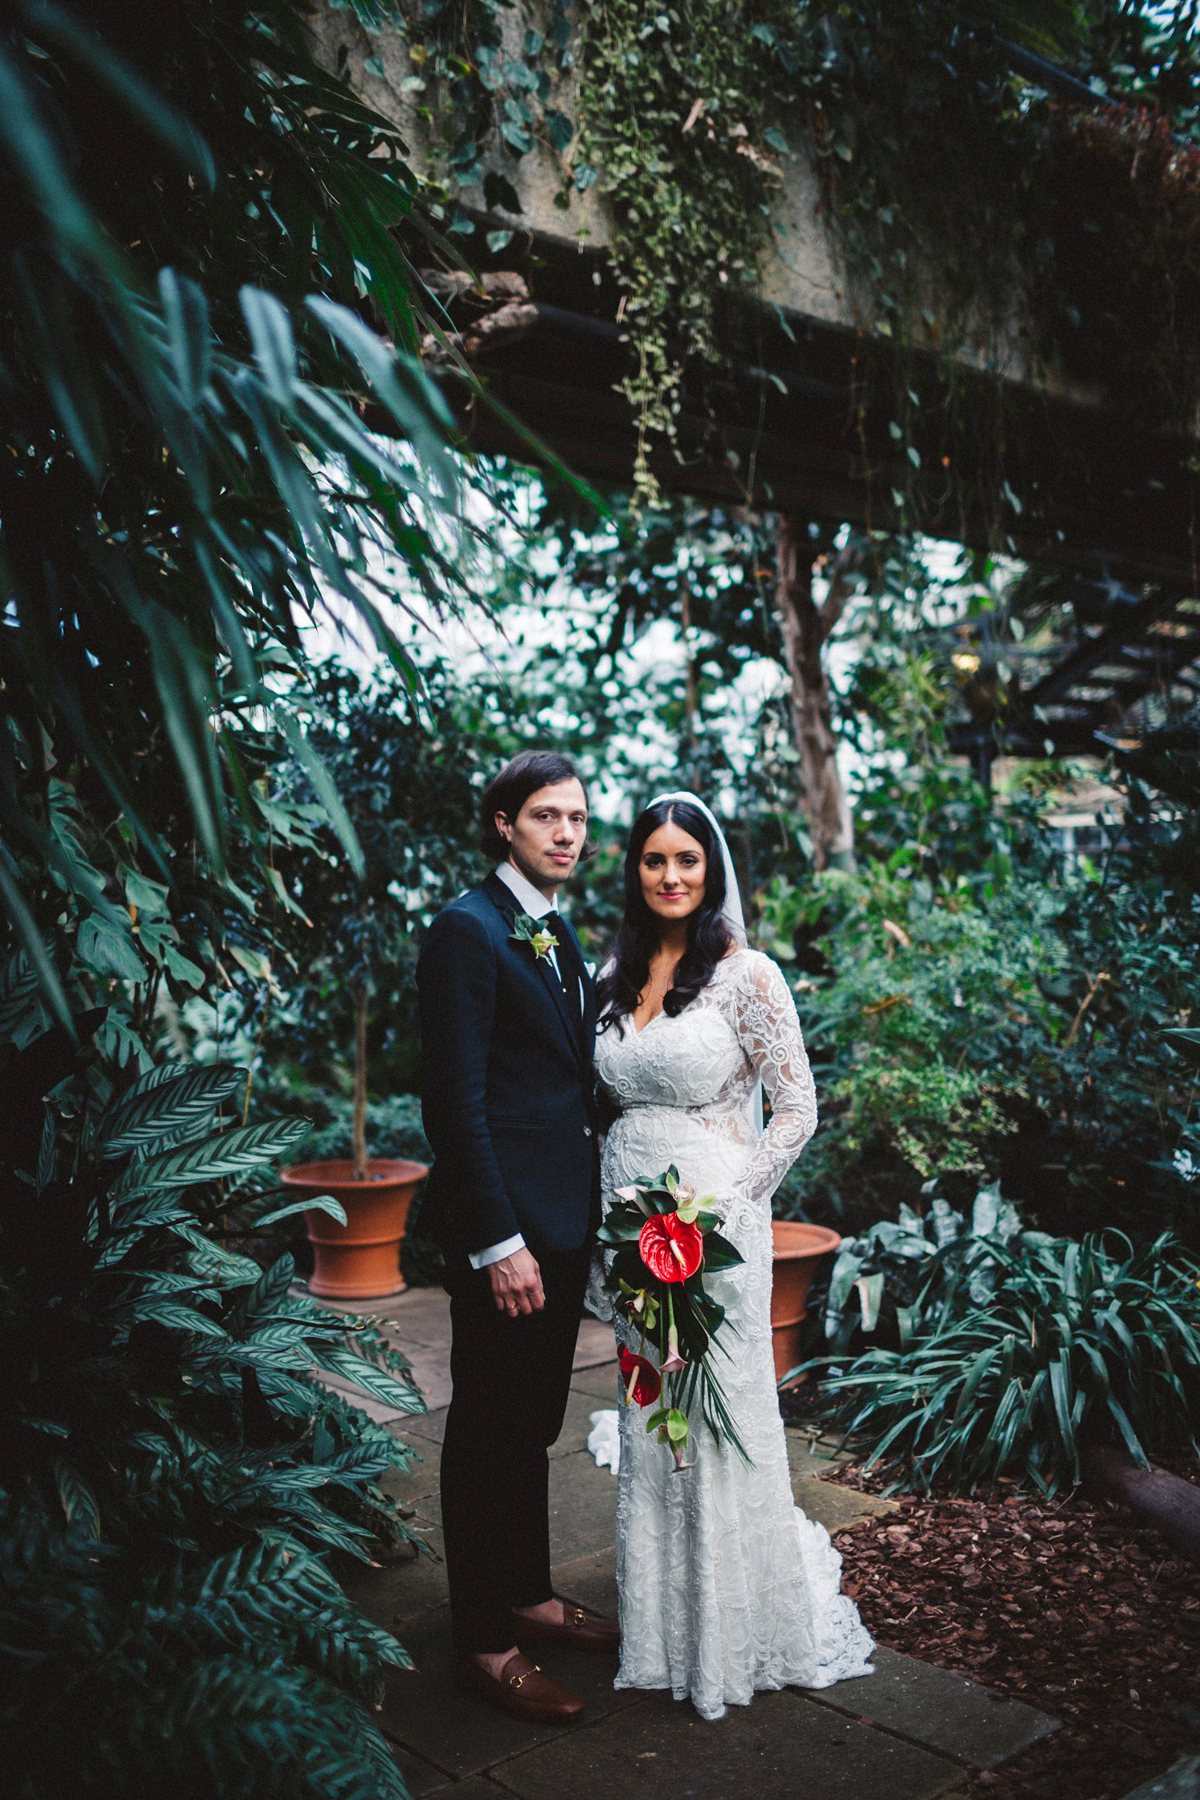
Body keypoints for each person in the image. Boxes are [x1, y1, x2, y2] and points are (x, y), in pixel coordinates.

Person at [591, 791, 875, 1721]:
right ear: (634, 871)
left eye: (688, 861)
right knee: (651, 1411)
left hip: (713, 1226)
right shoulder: (611, 969)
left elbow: (797, 1108)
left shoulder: (747, 976)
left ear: (711, 871)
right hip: (631, 1227)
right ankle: (663, 1629)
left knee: (715, 1418)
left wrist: (729, 1204)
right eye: (653, 861)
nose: (671, 877)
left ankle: (732, 1633)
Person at [416, 750, 618, 1724]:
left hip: (565, 1219)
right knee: (487, 1429)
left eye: (578, 816)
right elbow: (455, 1101)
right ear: (503, 823)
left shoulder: (552, 926)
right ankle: (484, 1643)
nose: (568, 832)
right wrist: (498, 1242)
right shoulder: (467, 928)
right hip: (510, 1237)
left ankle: (530, 1594)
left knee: (534, 1421)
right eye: (547, 815)